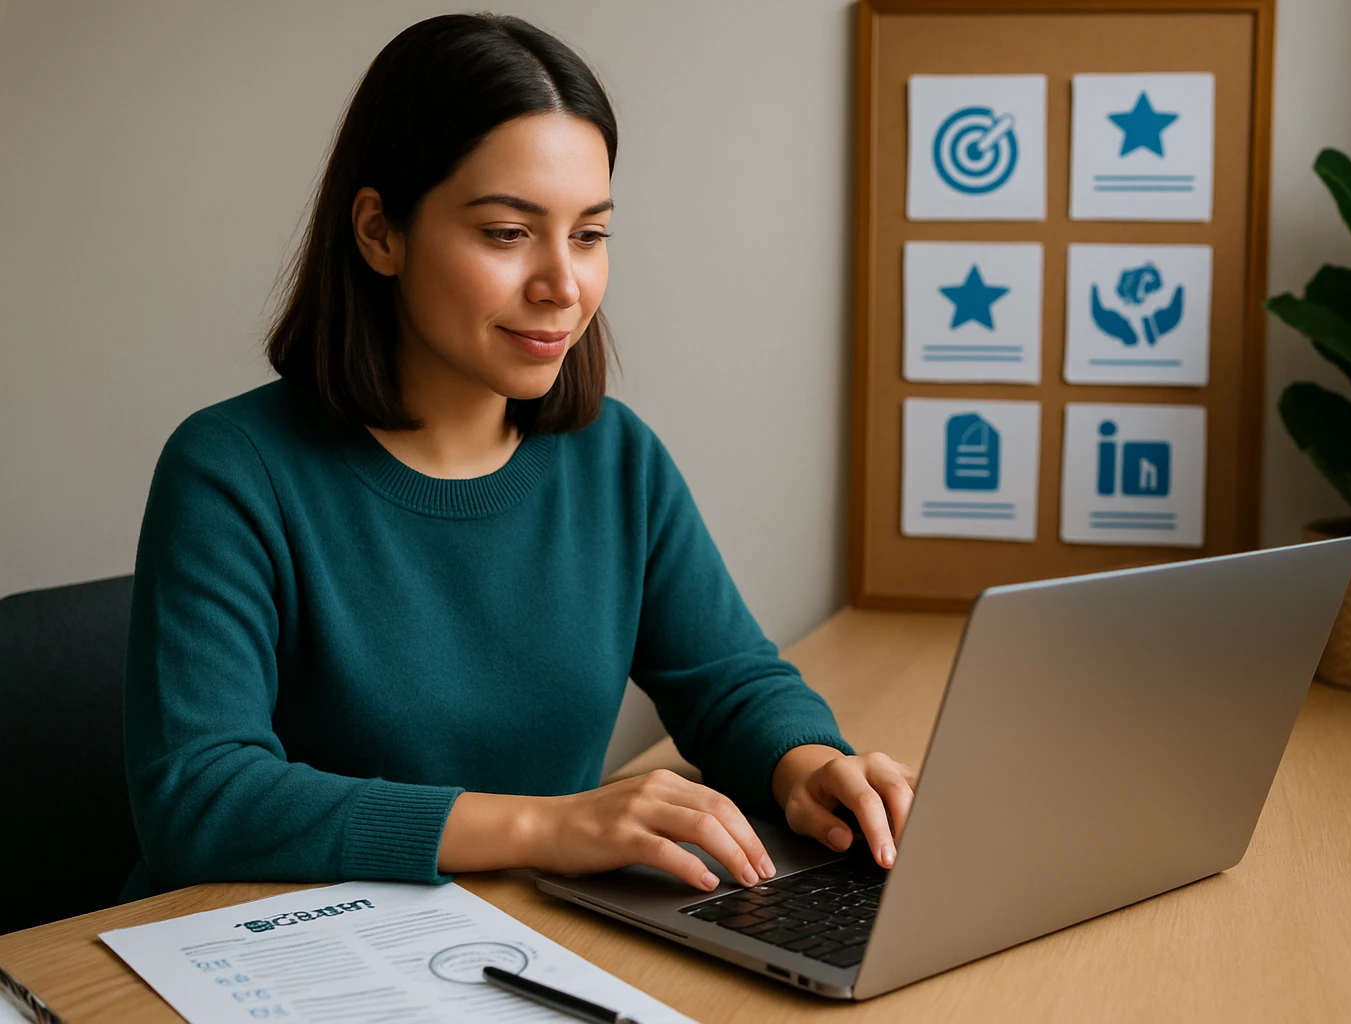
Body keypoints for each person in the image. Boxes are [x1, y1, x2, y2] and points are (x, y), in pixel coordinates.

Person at [121, 12, 915, 902]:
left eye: (589, 234)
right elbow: (198, 797)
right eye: (508, 233)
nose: (563, 286)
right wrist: (548, 824)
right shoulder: (232, 469)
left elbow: (728, 680)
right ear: (381, 232)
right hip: (277, 951)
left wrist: (808, 766)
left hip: (516, 940)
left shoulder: (615, 458)